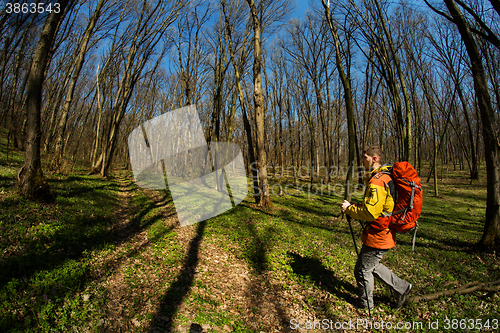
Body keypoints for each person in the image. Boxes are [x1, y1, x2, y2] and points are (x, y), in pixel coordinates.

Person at [341, 146, 412, 310]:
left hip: (379, 234)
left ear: (375, 159)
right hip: (381, 232)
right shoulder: (383, 177)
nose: (362, 160)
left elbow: (371, 212)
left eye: (365, 157)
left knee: (362, 270)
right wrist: (354, 206)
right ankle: (402, 288)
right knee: (370, 265)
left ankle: (366, 304)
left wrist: (350, 209)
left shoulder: (378, 181)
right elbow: (374, 207)